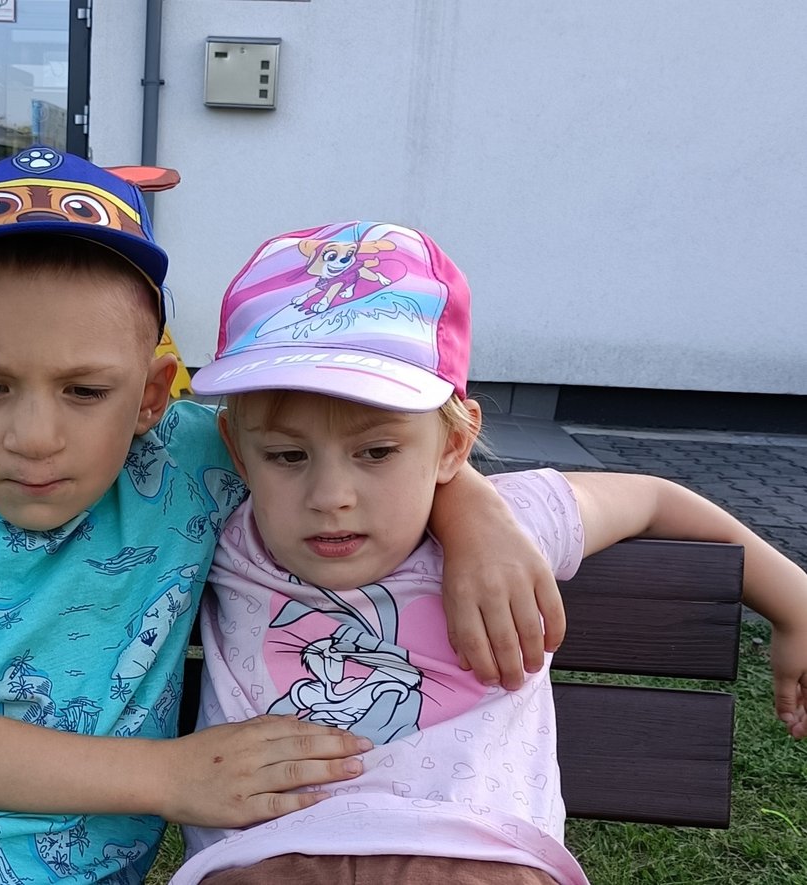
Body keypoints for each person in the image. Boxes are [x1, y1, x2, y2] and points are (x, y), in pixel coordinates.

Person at [0, 151, 559, 885]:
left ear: (152, 395)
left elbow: (356, 443)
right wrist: (169, 775)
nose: (35, 437)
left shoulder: (182, 467)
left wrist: (474, 509)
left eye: (85, 391)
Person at [168, 221, 807, 885]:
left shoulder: (515, 524)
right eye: (286, 455)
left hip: (477, 857)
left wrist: (796, 607)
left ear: (453, 445)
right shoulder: (218, 528)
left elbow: (654, 499)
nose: (331, 496)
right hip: (265, 860)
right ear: (238, 451)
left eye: (377, 452)